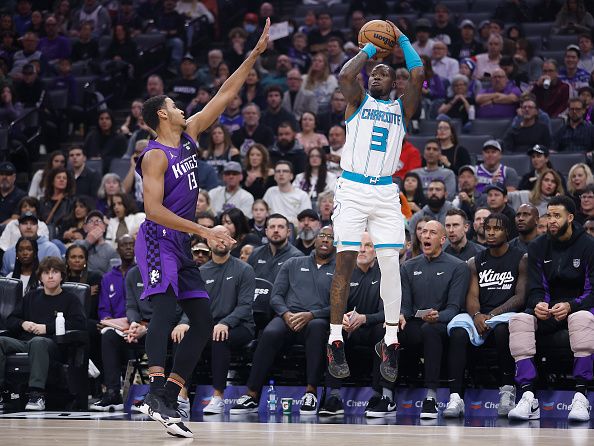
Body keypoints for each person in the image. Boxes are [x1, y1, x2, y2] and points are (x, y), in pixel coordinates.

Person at [133, 20, 269, 438]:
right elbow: (153, 210)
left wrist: (253, 55)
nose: (181, 108)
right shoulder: (154, 156)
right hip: (158, 239)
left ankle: (171, 393)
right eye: (175, 105)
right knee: (165, 309)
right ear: (162, 114)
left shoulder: (190, 133)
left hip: (181, 238)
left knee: (203, 320)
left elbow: (225, 94)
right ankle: (154, 393)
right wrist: (204, 231)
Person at [326, 20, 424, 382]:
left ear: (394, 83)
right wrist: (371, 48)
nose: (375, 77)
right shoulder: (357, 101)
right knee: (345, 263)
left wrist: (402, 39)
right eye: (374, 74)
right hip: (352, 189)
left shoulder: (402, 109)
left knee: (390, 265)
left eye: (383, 74)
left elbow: (418, 74)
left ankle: (391, 339)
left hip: (385, 191)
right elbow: (345, 75)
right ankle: (335, 337)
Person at [230, 226, 336, 415]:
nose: (325, 239)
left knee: (318, 328)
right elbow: (276, 296)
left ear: (335, 243)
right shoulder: (293, 263)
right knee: (270, 333)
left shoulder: (339, 270)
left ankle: (311, 392)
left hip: (317, 318)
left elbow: (338, 305)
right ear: (315, 240)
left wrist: (311, 314)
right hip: (289, 316)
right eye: (322, 235)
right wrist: (286, 314)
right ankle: (252, 394)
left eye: (330, 237)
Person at [508, 196, 594, 422]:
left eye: (557, 216)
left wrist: (572, 305)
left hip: (581, 307)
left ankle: (581, 395)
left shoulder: (588, 245)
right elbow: (536, 287)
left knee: (581, 319)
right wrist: (539, 304)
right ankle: (528, 395)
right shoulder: (538, 245)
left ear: (571, 218)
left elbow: (592, 291)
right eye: (549, 215)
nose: (552, 220)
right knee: (519, 321)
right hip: (551, 309)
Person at [445, 213, 527, 418]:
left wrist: (493, 314)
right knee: (457, 332)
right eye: (488, 228)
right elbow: (472, 296)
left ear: (507, 232)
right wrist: (477, 315)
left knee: (502, 330)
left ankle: (507, 391)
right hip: (480, 314)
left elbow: (520, 296)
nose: (490, 232)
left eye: (497, 228)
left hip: (506, 314)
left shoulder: (521, 258)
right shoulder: (475, 261)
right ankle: (456, 397)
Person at [400, 221, 470, 418]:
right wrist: (401, 316)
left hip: (443, 322)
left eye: (432, 232)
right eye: (423, 232)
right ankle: (384, 395)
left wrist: (439, 316)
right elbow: (406, 306)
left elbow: (454, 308)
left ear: (442, 239)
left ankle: (431, 397)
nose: (426, 236)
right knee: (386, 330)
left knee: (430, 330)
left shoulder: (458, 267)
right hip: (415, 321)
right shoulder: (408, 266)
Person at [1, 257, 86, 411]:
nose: (51, 276)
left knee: (38, 342)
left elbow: (79, 324)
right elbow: (10, 320)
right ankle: (1, 394)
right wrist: (23, 324)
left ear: (62, 275)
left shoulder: (70, 299)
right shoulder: (31, 297)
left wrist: (47, 328)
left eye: (55, 272)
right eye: (46, 273)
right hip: (26, 343)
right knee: (2, 341)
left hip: (53, 345)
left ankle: (36, 395)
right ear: (40, 277)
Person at [320, 232, 386, 417]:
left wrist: (364, 318)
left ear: (377, 250)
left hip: (373, 327)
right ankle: (333, 397)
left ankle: (378, 395)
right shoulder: (342, 273)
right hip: (350, 328)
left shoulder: (386, 273)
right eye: (359, 245)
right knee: (334, 333)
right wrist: (341, 318)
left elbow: (388, 312)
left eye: (368, 245)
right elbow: (334, 306)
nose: (363, 249)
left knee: (384, 333)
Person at [199, 225, 256, 414]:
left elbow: (245, 306)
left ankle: (218, 396)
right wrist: (183, 323)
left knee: (219, 337)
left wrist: (225, 322)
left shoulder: (244, 269)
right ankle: (180, 395)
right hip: (210, 326)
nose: (221, 240)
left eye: (226, 236)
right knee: (184, 336)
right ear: (208, 241)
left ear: (232, 242)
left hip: (241, 326)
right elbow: (193, 306)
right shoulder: (200, 272)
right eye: (216, 236)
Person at [247, 213, 303, 284]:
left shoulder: (297, 257)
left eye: (281, 227)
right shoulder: (255, 254)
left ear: (288, 232)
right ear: (266, 232)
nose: (276, 230)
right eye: (272, 227)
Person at [263, 160, 310, 225]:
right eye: (278, 171)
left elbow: (306, 219)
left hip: (294, 229)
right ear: (274, 176)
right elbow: (263, 213)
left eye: (285, 171)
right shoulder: (270, 192)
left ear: (291, 176)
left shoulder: (302, 195)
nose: (281, 174)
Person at [408, 180, 455, 244]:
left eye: (438, 189)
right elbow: (412, 243)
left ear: (445, 194)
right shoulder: (417, 217)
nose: (433, 193)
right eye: (430, 189)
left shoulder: (455, 214)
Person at [75, 210, 119, 275]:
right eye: (91, 221)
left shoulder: (111, 251)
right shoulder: (77, 244)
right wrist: (87, 242)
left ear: (104, 228)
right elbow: (71, 262)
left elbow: (112, 277)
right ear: (85, 228)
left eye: (99, 221)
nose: (95, 223)